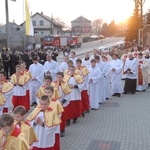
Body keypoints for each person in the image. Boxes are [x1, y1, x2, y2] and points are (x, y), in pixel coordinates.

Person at [52, 72, 71, 137]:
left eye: (60, 77)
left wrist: (62, 102)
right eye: (57, 77)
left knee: (62, 118)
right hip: (55, 104)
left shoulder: (65, 84)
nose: (58, 78)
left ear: (62, 77)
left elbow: (68, 95)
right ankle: (55, 130)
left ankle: (62, 130)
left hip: (63, 104)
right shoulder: (53, 84)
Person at [44, 86, 64, 150]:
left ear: (52, 93)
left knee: (55, 138)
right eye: (46, 92)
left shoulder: (56, 103)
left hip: (54, 124)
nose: (47, 94)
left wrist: (53, 120)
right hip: (45, 123)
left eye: (49, 92)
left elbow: (59, 113)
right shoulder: (42, 102)